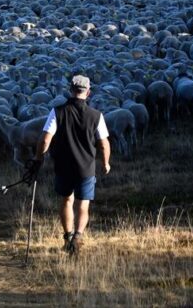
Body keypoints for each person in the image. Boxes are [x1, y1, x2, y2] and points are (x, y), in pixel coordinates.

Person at [33, 75, 111, 256]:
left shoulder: (57, 112)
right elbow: (104, 143)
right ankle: (78, 236)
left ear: (70, 90)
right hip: (86, 167)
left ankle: (67, 237)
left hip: (63, 166)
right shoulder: (96, 115)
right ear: (88, 92)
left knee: (66, 200)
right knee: (83, 205)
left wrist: (39, 158)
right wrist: (105, 162)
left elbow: (45, 139)